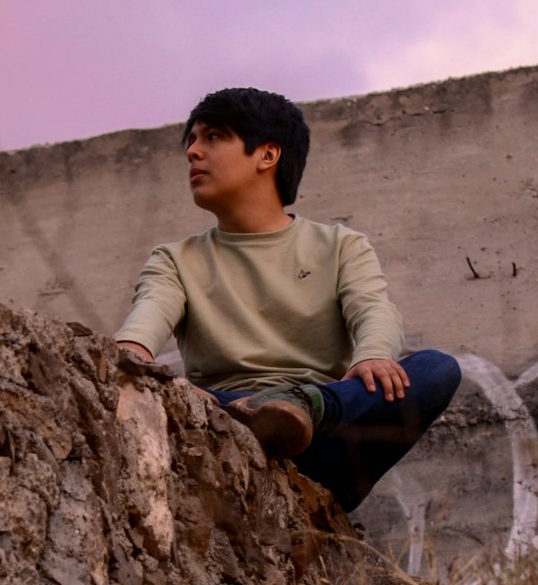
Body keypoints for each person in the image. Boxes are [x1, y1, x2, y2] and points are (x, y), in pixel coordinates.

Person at [115, 87, 461, 511]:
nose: (192, 152)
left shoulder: (339, 245)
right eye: (192, 139)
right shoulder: (175, 259)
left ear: (267, 155)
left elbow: (373, 310)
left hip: (327, 435)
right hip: (228, 421)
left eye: (214, 137)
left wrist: (371, 356)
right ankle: (261, 410)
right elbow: (143, 327)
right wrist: (132, 358)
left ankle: (303, 405)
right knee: (183, 393)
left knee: (437, 369)